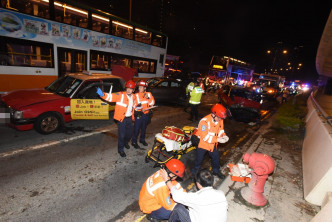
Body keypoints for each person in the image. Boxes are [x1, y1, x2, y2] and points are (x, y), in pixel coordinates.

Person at [161, 168, 228, 222]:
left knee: (178, 208)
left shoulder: (197, 198)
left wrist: (166, 180)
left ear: (198, 183)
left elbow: (176, 196)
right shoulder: (221, 194)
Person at [96, 80, 136, 157]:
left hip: (129, 118)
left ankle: (125, 142)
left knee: (129, 133)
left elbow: (135, 106)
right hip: (122, 118)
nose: (128, 90)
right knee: (121, 135)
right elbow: (110, 97)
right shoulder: (120, 95)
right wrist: (102, 94)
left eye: (130, 89)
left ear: (133, 90)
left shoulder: (134, 96)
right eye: (127, 88)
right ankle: (120, 150)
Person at [191, 104, 229, 179]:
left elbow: (220, 130)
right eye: (219, 117)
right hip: (202, 144)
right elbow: (205, 137)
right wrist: (217, 139)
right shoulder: (204, 122)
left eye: (221, 118)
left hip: (212, 144)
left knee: (216, 158)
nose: (220, 119)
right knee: (199, 159)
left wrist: (223, 135)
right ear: (213, 114)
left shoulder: (220, 119)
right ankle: (195, 173)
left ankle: (216, 171)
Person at [132, 80, 155, 148]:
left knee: (144, 128)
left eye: (141, 87)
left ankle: (142, 140)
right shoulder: (135, 95)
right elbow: (133, 106)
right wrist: (140, 109)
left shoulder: (149, 94)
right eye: (139, 87)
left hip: (146, 115)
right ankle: (134, 142)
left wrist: (148, 98)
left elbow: (152, 103)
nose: (139, 88)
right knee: (136, 129)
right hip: (139, 115)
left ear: (145, 88)